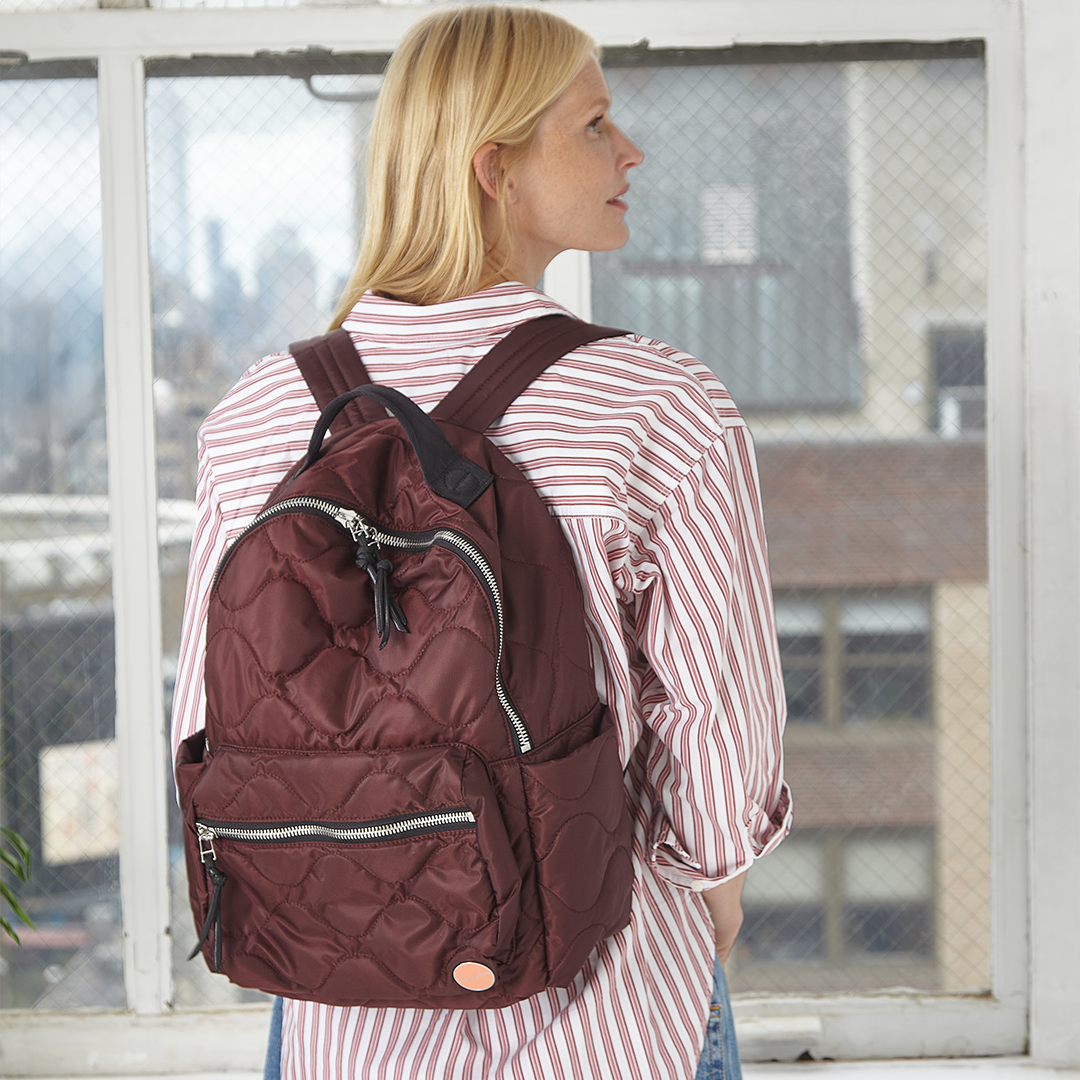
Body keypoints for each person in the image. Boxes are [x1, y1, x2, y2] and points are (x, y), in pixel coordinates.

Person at [171, 6, 791, 1078]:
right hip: (611, 1013)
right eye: (596, 123)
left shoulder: (260, 414)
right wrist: (715, 881)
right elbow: (719, 755)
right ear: (493, 167)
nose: (629, 150)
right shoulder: (659, 405)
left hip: (340, 1021)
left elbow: (208, 729)